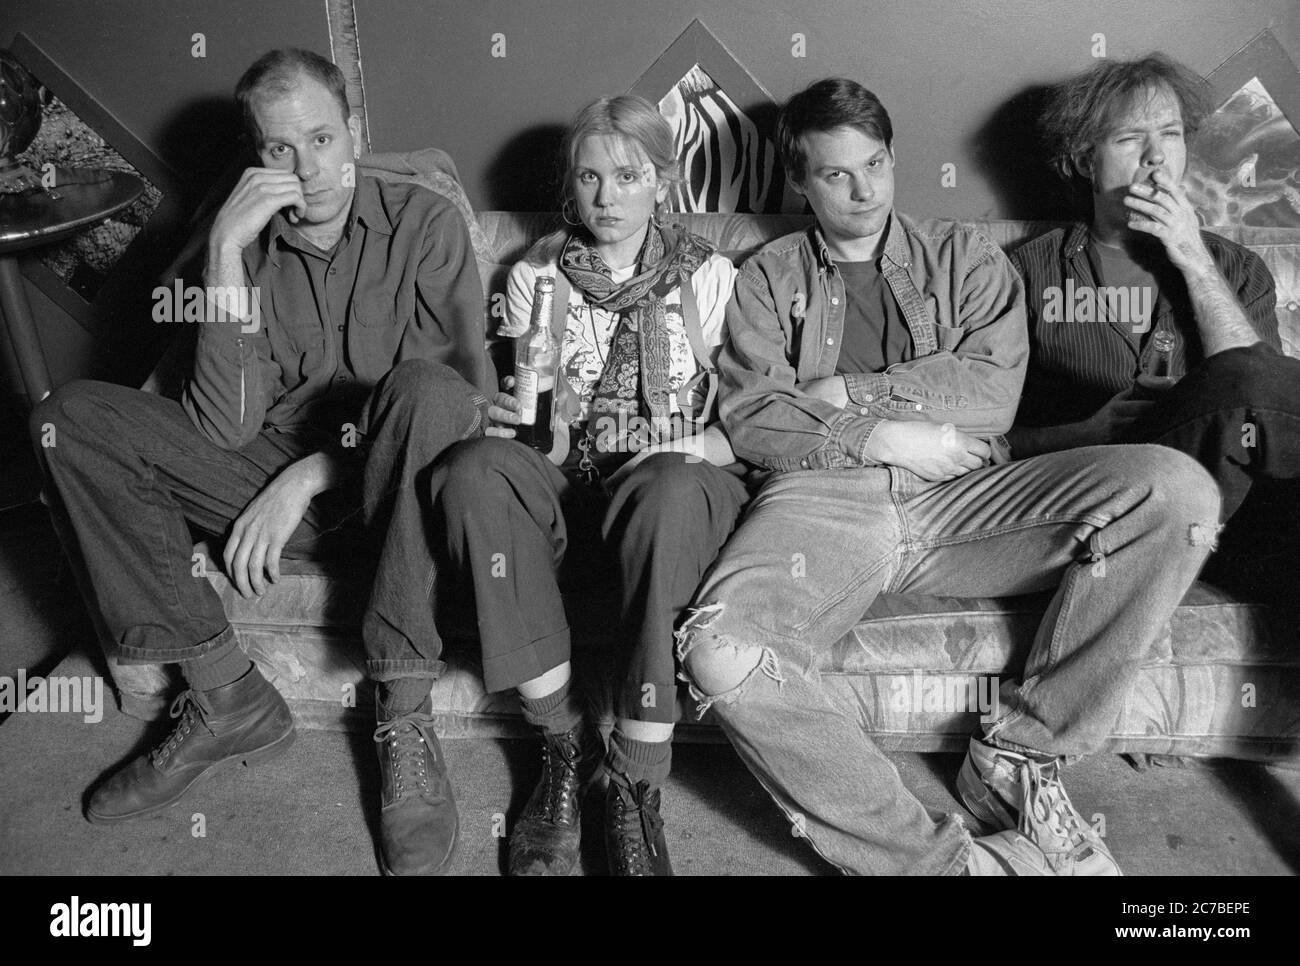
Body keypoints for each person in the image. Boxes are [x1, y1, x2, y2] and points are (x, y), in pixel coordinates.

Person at [674, 77, 1224, 875]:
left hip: (967, 494)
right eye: (835, 174)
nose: (864, 190)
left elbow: (992, 393)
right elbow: (755, 417)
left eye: (876, 165)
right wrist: (886, 433)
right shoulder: (769, 275)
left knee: (1177, 492)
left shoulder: (964, 255)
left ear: (894, 158)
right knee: (720, 646)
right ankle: (944, 866)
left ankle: (1020, 758)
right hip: (824, 501)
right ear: (799, 180)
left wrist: (846, 393)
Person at [31, 49, 493, 878]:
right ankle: (224, 693)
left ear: (353, 132)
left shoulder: (424, 223)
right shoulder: (238, 241)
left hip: (401, 504)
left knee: (427, 389)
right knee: (70, 419)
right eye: (281, 149)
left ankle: (404, 713)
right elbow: (224, 423)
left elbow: (457, 404)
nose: (308, 168)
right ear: (257, 157)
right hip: (259, 485)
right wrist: (224, 253)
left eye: (322, 138)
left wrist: (309, 475)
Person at [435, 94, 743, 875]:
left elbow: (753, 414)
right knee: (474, 471)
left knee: (671, 486)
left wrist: (686, 445)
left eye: (629, 176)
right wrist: (533, 418)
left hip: (674, 489)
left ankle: (636, 784)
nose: (607, 198)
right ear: (569, 187)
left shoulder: (714, 279)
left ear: (664, 183)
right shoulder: (535, 275)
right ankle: (562, 748)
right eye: (589, 178)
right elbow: (533, 427)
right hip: (571, 486)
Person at [1007, 53, 1299, 604]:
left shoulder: (1235, 270)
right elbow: (991, 441)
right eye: (1129, 140)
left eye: (1170, 134)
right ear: (1084, 161)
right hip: (1101, 496)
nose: (1156, 158)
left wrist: (1192, 258)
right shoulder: (1023, 275)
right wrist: (1081, 433)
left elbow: (1265, 404)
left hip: (1224, 511)